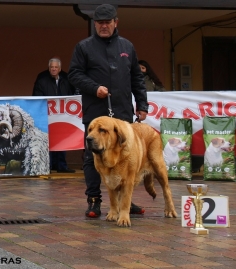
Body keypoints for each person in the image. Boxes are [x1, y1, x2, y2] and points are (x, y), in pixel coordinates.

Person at [68, 4, 148, 218]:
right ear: (95, 24)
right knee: (92, 156)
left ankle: (125, 201)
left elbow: (136, 78)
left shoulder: (127, 46)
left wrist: (142, 104)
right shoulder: (84, 47)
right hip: (96, 111)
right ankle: (94, 200)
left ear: (116, 22)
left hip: (122, 112)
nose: (103, 26)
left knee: (127, 155)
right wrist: (95, 88)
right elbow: (74, 74)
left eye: (107, 22)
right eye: (99, 23)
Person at [32, 57, 76, 173]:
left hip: (63, 115)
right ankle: (49, 166)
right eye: (52, 67)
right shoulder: (42, 79)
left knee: (62, 140)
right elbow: (36, 97)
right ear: (49, 68)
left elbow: (73, 94)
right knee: (48, 140)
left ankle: (62, 166)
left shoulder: (66, 78)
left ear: (60, 68)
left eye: (56, 67)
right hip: (47, 115)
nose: (54, 69)